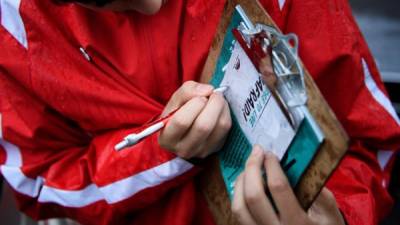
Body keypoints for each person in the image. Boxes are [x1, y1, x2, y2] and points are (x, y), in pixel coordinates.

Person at [0, 0, 398, 225]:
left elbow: (370, 145)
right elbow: (39, 181)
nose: (150, 5)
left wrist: (339, 219)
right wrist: (159, 152)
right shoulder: (13, 26)